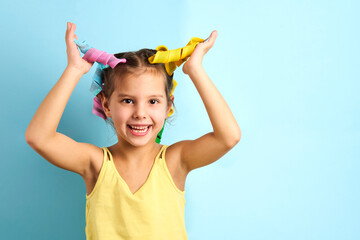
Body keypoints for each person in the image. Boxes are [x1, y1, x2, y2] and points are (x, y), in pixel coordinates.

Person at [25, 22, 241, 240]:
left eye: (153, 101)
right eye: (128, 100)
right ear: (106, 105)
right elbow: (38, 137)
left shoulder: (175, 161)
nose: (140, 113)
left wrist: (195, 70)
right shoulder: (96, 164)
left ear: (168, 107)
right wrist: (74, 70)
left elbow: (228, 137)